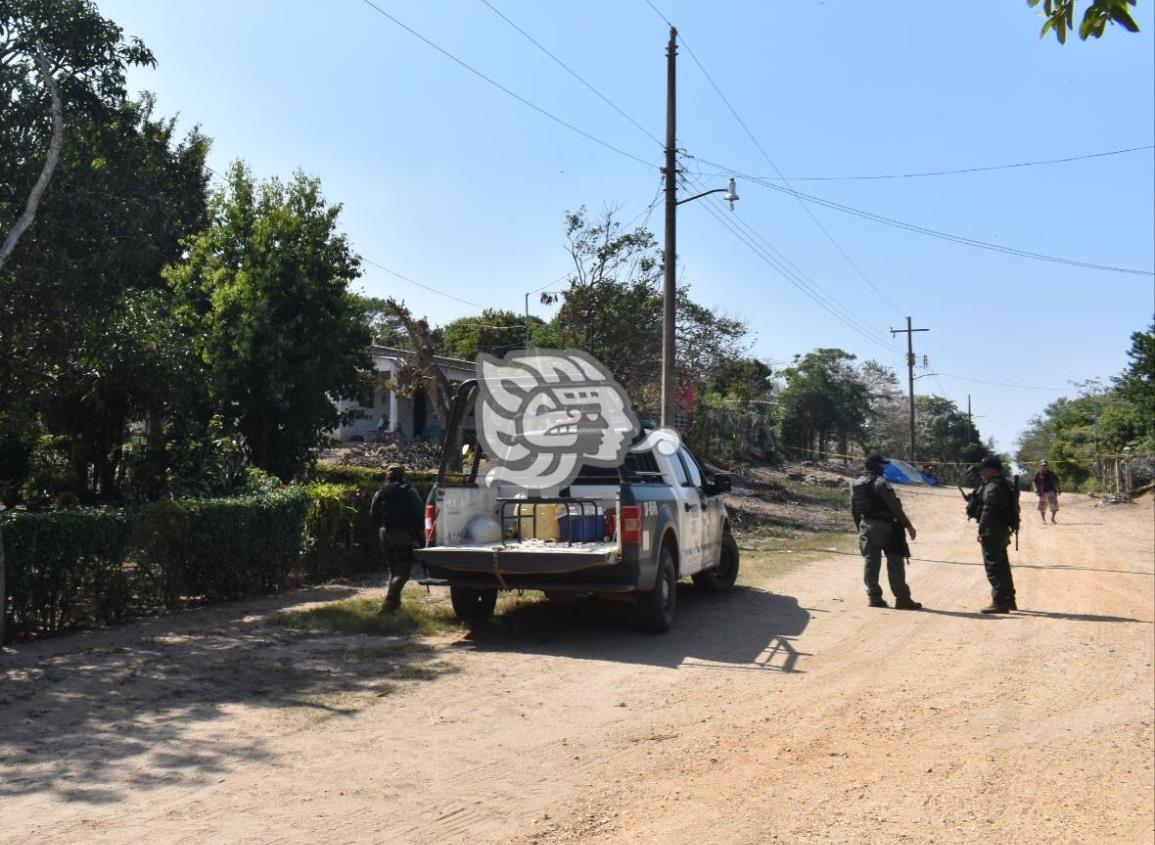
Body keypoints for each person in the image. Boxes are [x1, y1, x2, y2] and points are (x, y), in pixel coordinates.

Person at [851, 454, 921, 610]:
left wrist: (861, 529)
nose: (884, 468)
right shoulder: (880, 483)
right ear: (876, 466)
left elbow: (854, 510)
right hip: (886, 527)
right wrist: (908, 526)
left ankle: (874, 597)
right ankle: (902, 599)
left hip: (866, 526)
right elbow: (895, 507)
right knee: (895, 562)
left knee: (871, 561)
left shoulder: (856, 483)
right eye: (882, 465)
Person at [369, 464, 425, 613]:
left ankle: (395, 607)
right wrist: (419, 532)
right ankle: (388, 604)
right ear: (403, 475)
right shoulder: (409, 491)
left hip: (385, 533)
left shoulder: (381, 492)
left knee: (393, 570)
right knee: (403, 571)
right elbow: (420, 513)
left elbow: (372, 514)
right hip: (403, 534)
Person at [974, 456, 1018, 614]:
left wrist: (981, 529)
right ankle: (1009, 599)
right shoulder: (1004, 484)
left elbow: (989, 509)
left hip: (993, 530)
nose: (981, 473)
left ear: (991, 470)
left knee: (993, 566)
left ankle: (999, 601)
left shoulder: (992, 487)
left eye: (983, 469)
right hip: (1002, 530)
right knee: (1003, 566)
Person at [1033, 460, 1061, 524]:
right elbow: (1034, 481)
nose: (1044, 466)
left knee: (1054, 506)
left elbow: (1056, 482)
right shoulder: (1038, 474)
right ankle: (1043, 520)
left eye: (1045, 465)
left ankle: (1052, 519)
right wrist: (1035, 488)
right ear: (1041, 466)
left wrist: (1059, 489)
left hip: (1052, 491)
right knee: (1042, 507)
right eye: (1043, 465)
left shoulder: (1052, 473)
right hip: (1043, 492)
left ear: (1048, 466)